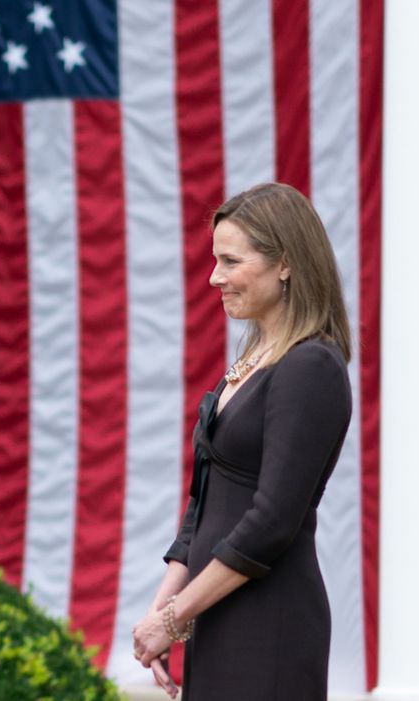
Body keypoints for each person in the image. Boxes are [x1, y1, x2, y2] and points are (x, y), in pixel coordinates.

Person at [132, 183, 353, 699]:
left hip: (269, 620)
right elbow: (202, 500)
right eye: (215, 260)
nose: (215, 277)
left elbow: (272, 521)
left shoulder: (310, 365)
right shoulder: (258, 360)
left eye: (231, 261)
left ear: (286, 264)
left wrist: (175, 616)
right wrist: (164, 608)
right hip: (217, 614)